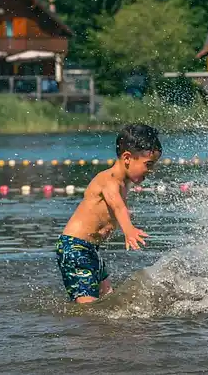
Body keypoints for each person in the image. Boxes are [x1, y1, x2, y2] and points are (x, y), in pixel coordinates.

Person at [55, 124, 162, 303]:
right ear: (127, 157)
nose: (151, 171)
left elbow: (116, 210)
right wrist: (129, 230)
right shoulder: (109, 179)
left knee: (108, 299)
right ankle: (82, 329)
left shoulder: (123, 183)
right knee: (88, 305)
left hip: (90, 249)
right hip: (74, 247)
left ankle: (104, 329)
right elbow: (118, 207)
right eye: (148, 165)